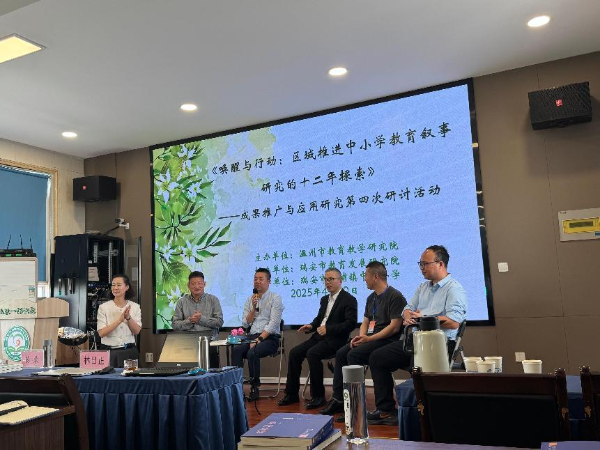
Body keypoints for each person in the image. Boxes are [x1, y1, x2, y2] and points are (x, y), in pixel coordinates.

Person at [367, 245, 467, 425]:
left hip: (439, 344)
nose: (421, 268)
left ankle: (423, 413)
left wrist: (423, 317)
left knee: (416, 364)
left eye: (425, 264)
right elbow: (407, 308)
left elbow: (453, 321)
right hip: (415, 340)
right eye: (420, 264)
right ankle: (386, 411)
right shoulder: (423, 287)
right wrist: (408, 316)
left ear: (440, 264)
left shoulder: (454, 289)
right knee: (377, 357)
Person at [320, 261, 406, 418]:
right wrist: (361, 337)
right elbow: (366, 321)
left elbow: (394, 327)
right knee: (342, 353)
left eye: (366, 275)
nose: (364, 279)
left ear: (375, 277)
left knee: (354, 355)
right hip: (371, 339)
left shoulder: (395, 296)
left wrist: (369, 339)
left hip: (387, 340)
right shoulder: (371, 298)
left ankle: (357, 405)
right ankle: (339, 399)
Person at [278, 268, 358, 409]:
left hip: (336, 340)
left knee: (312, 353)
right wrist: (311, 326)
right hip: (318, 337)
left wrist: (329, 329)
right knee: (295, 353)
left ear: (340, 281)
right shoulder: (324, 299)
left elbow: (350, 324)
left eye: (331, 279)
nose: (328, 282)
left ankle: (318, 396)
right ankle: (291, 394)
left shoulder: (349, 299)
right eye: (326, 279)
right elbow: (320, 319)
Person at [232, 268, 284, 401]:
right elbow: (245, 324)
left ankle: (254, 387)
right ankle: (237, 388)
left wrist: (259, 339)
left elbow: (274, 323)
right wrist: (253, 308)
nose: (257, 281)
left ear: (268, 281)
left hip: (269, 338)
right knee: (236, 350)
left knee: (252, 352)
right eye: (255, 279)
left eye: (261, 279)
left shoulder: (275, 298)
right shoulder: (250, 299)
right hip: (252, 336)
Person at [172, 271, 224, 368]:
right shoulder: (181, 302)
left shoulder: (213, 300)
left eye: (200, 283)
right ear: (188, 285)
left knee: (210, 354)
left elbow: (219, 322)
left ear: (204, 284)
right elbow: (175, 324)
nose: (196, 286)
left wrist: (201, 319)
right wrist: (190, 321)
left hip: (209, 339)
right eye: (193, 283)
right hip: (188, 340)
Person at [97, 274, 142, 368]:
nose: (115, 288)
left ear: (127, 287)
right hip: (110, 352)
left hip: (129, 352)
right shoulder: (103, 307)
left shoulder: (135, 307)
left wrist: (128, 318)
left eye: (119, 285)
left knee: (130, 376)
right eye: (113, 285)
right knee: (110, 376)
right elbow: (101, 333)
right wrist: (119, 321)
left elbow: (136, 331)